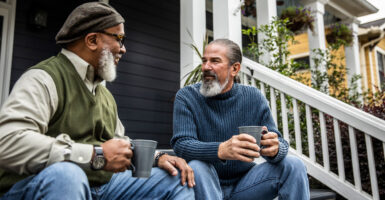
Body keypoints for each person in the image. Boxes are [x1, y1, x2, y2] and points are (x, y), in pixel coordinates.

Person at [0, 2, 194, 200]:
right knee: (68, 175)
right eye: (120, 39)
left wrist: (158, 157)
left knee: (176, 179)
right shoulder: (43, 78)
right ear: (92, 40)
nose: (124, 49)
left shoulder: (105, 95)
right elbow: (7, 142)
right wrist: (95, 155)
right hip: (37, 185)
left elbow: (122, 146)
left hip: (101, 186)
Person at [171, 38, 309, 200]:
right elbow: (181, 145)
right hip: (204, 183)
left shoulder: (253, 97)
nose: (206, 67)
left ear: (234, 69)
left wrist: (276, 149)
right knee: (197, 166)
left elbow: (278, 140)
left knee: (294, 165)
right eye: (204, 61)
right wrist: (221, 149)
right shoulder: (187, 96)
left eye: (215, 61)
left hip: (247, 185)